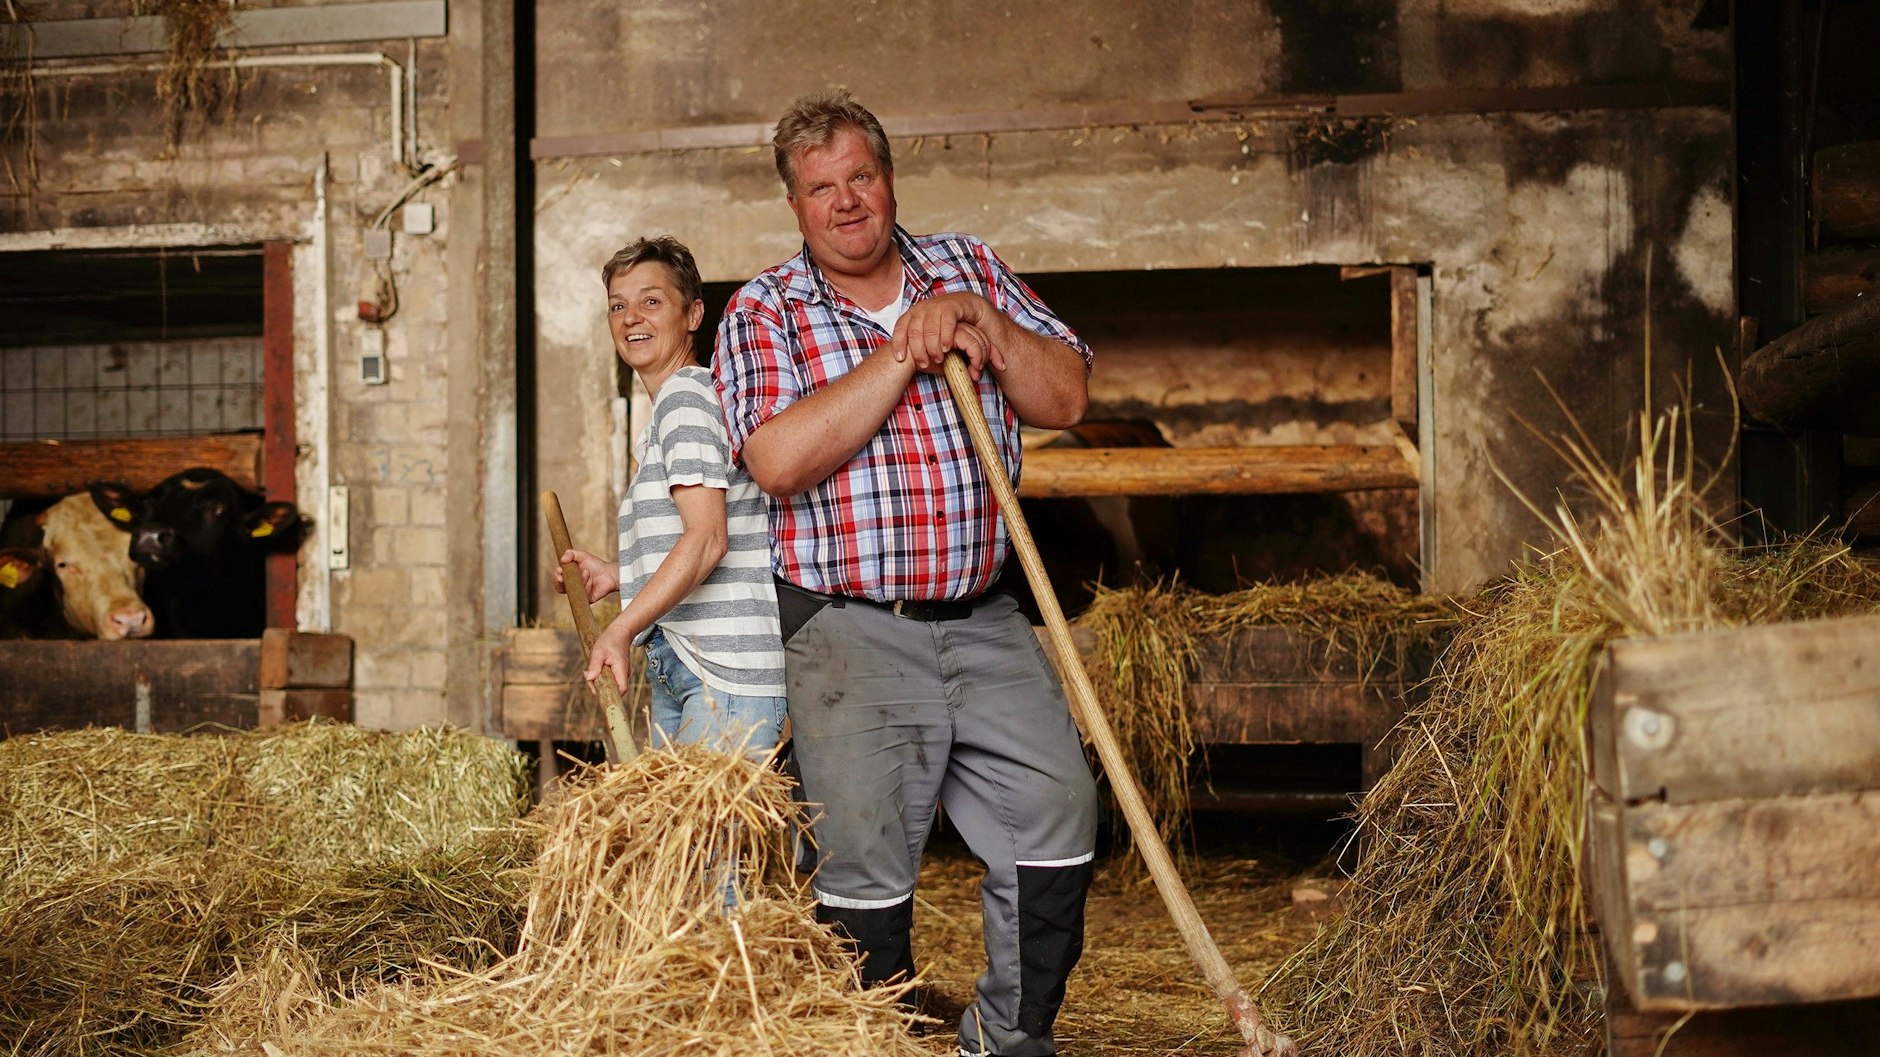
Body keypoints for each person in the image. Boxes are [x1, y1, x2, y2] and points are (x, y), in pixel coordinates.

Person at [713, 91, 1099, 1057]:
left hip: (988, 614)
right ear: (795, 206)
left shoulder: (968, 264)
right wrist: (902, 352)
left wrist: (984, 327)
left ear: (888, 179)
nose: (846, 202)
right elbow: (776, 461)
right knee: (865, 863)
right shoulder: (768, 308)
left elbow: (1069, 396)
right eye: (820, 188)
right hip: (851, 626)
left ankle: (1006, 1036)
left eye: (861, 176)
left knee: (1058, 808)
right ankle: (871, 1043)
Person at [556, 236, 786, 768]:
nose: (631, 317)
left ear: (693, 314)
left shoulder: (686, 398)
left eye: (651, 300)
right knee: (683, 847)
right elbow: (703, 530)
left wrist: (619, 628)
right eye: (618, 304)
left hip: (719, 675)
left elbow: (708, 539)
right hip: (689, 664)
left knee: (712, 850)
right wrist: (619, 573)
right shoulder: (675, 409)